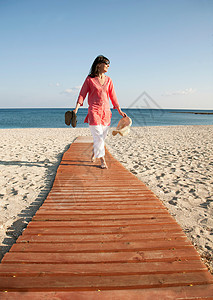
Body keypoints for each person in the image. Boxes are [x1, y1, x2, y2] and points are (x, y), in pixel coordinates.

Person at [73, 55, 126, 169]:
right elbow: (82, 94)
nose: (108, 65)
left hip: (106, 113)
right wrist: (76, 109)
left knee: (101, 138)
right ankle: (102, 160)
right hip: (94, 111)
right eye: (106, 63)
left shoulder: (109, 80)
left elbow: (113, 96)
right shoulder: (89, 79)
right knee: (99, 137)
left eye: (109, 63)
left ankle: (94, 152)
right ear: (98, 65)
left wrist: (119, 110)